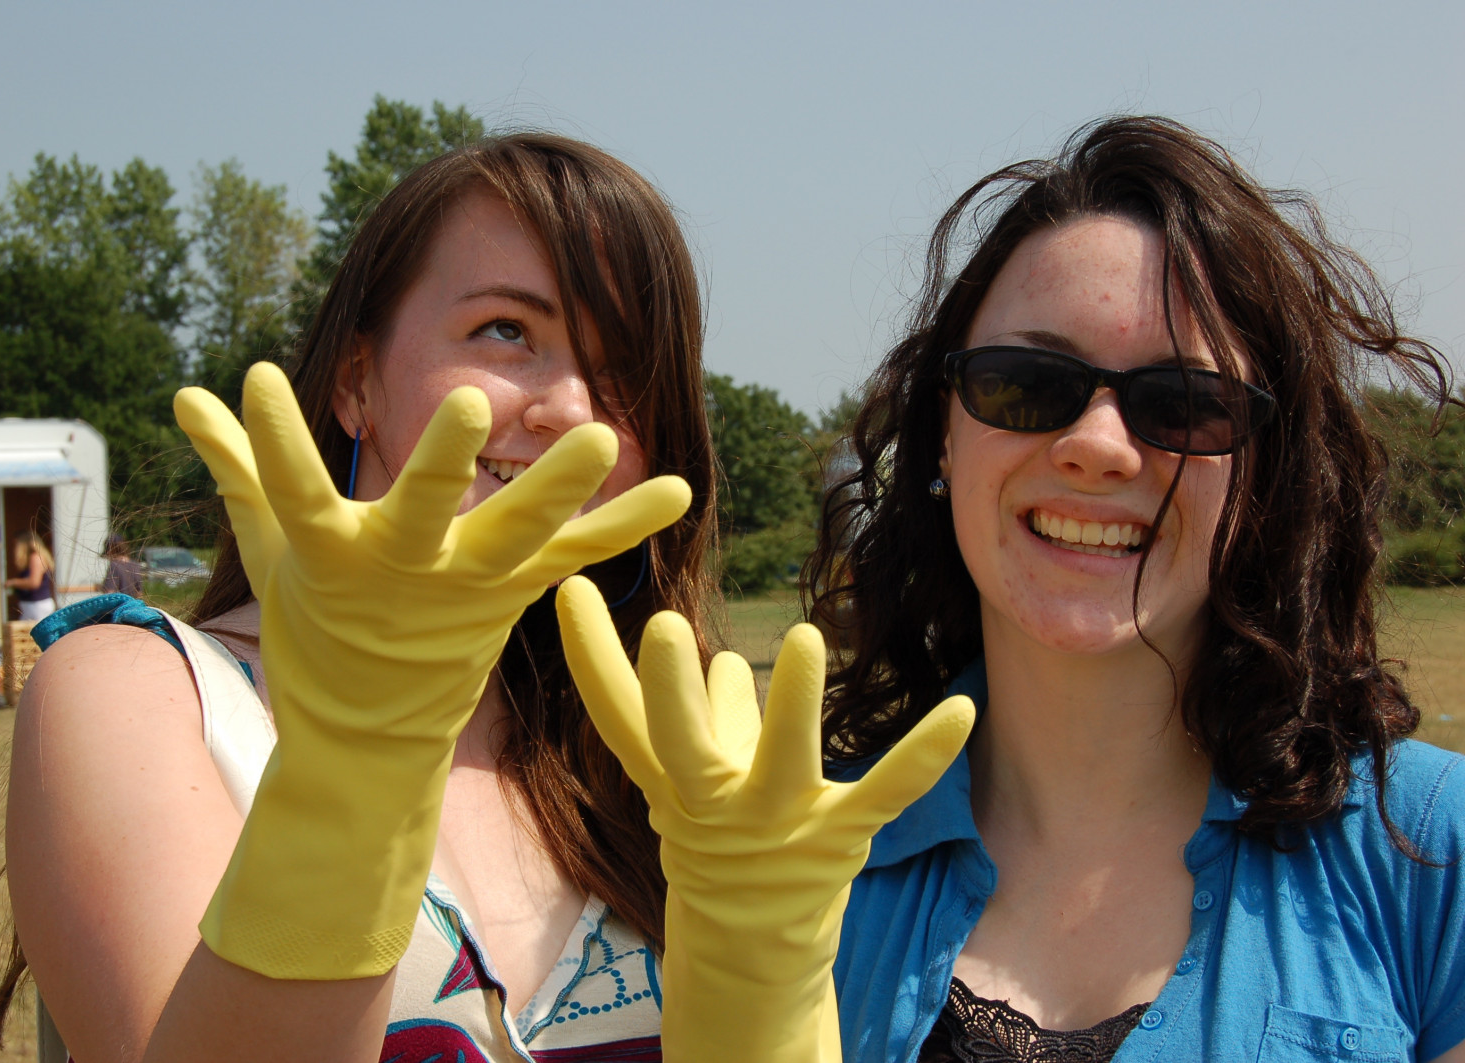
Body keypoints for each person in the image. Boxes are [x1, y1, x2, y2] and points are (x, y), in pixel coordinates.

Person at [547, 115, 1465, 1063]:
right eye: (1026, 382)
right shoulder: (788, 856)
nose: (1097, 446)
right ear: (944, 437)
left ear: (1267, 475)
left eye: (1185, 403)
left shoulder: (1433, 851)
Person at [0, 134, 720, 1063]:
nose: (573, 410)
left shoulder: (651, 746)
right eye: (507, 330)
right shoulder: (142, 691)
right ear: (355, 382)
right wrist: (351, 785)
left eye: (623, 367)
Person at [4, 531, 55, 621]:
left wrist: (13, 582)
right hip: (32, 605)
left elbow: (34, 582)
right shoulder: (34, 558)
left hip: (37, 605)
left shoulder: (35, 557)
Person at [99, 532, 143, 597]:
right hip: (132, 602)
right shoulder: (136, 565)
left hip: (119, 603)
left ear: (110, 550)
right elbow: (139, 593)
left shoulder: (114, 566)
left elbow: (109, 592)